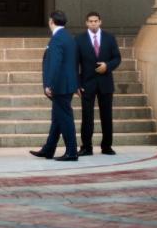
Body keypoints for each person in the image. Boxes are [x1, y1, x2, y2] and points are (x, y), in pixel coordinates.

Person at [29, 10, 79, 161]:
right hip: (67, 84)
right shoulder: (68, 37)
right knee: (57, 118)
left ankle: (71, 152)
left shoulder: (57, 39)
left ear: (51, 21)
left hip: (60, 85)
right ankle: (48, 149)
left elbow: (55, 63)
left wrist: (49, 84)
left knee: (65, 118)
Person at [75, 11, 122, 156]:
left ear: (100, 22)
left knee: (106, 116)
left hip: (105, 83)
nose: (93, 23)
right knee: (87, 117)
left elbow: (117, 58)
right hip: (87, 83)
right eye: (90, 21)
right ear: (86, 23)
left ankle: (107, 146)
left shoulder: (109, 38)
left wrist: (107, 66)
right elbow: (75, 63)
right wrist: (77, 84)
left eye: (96, 21)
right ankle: (86, 147)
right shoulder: (79, 39)